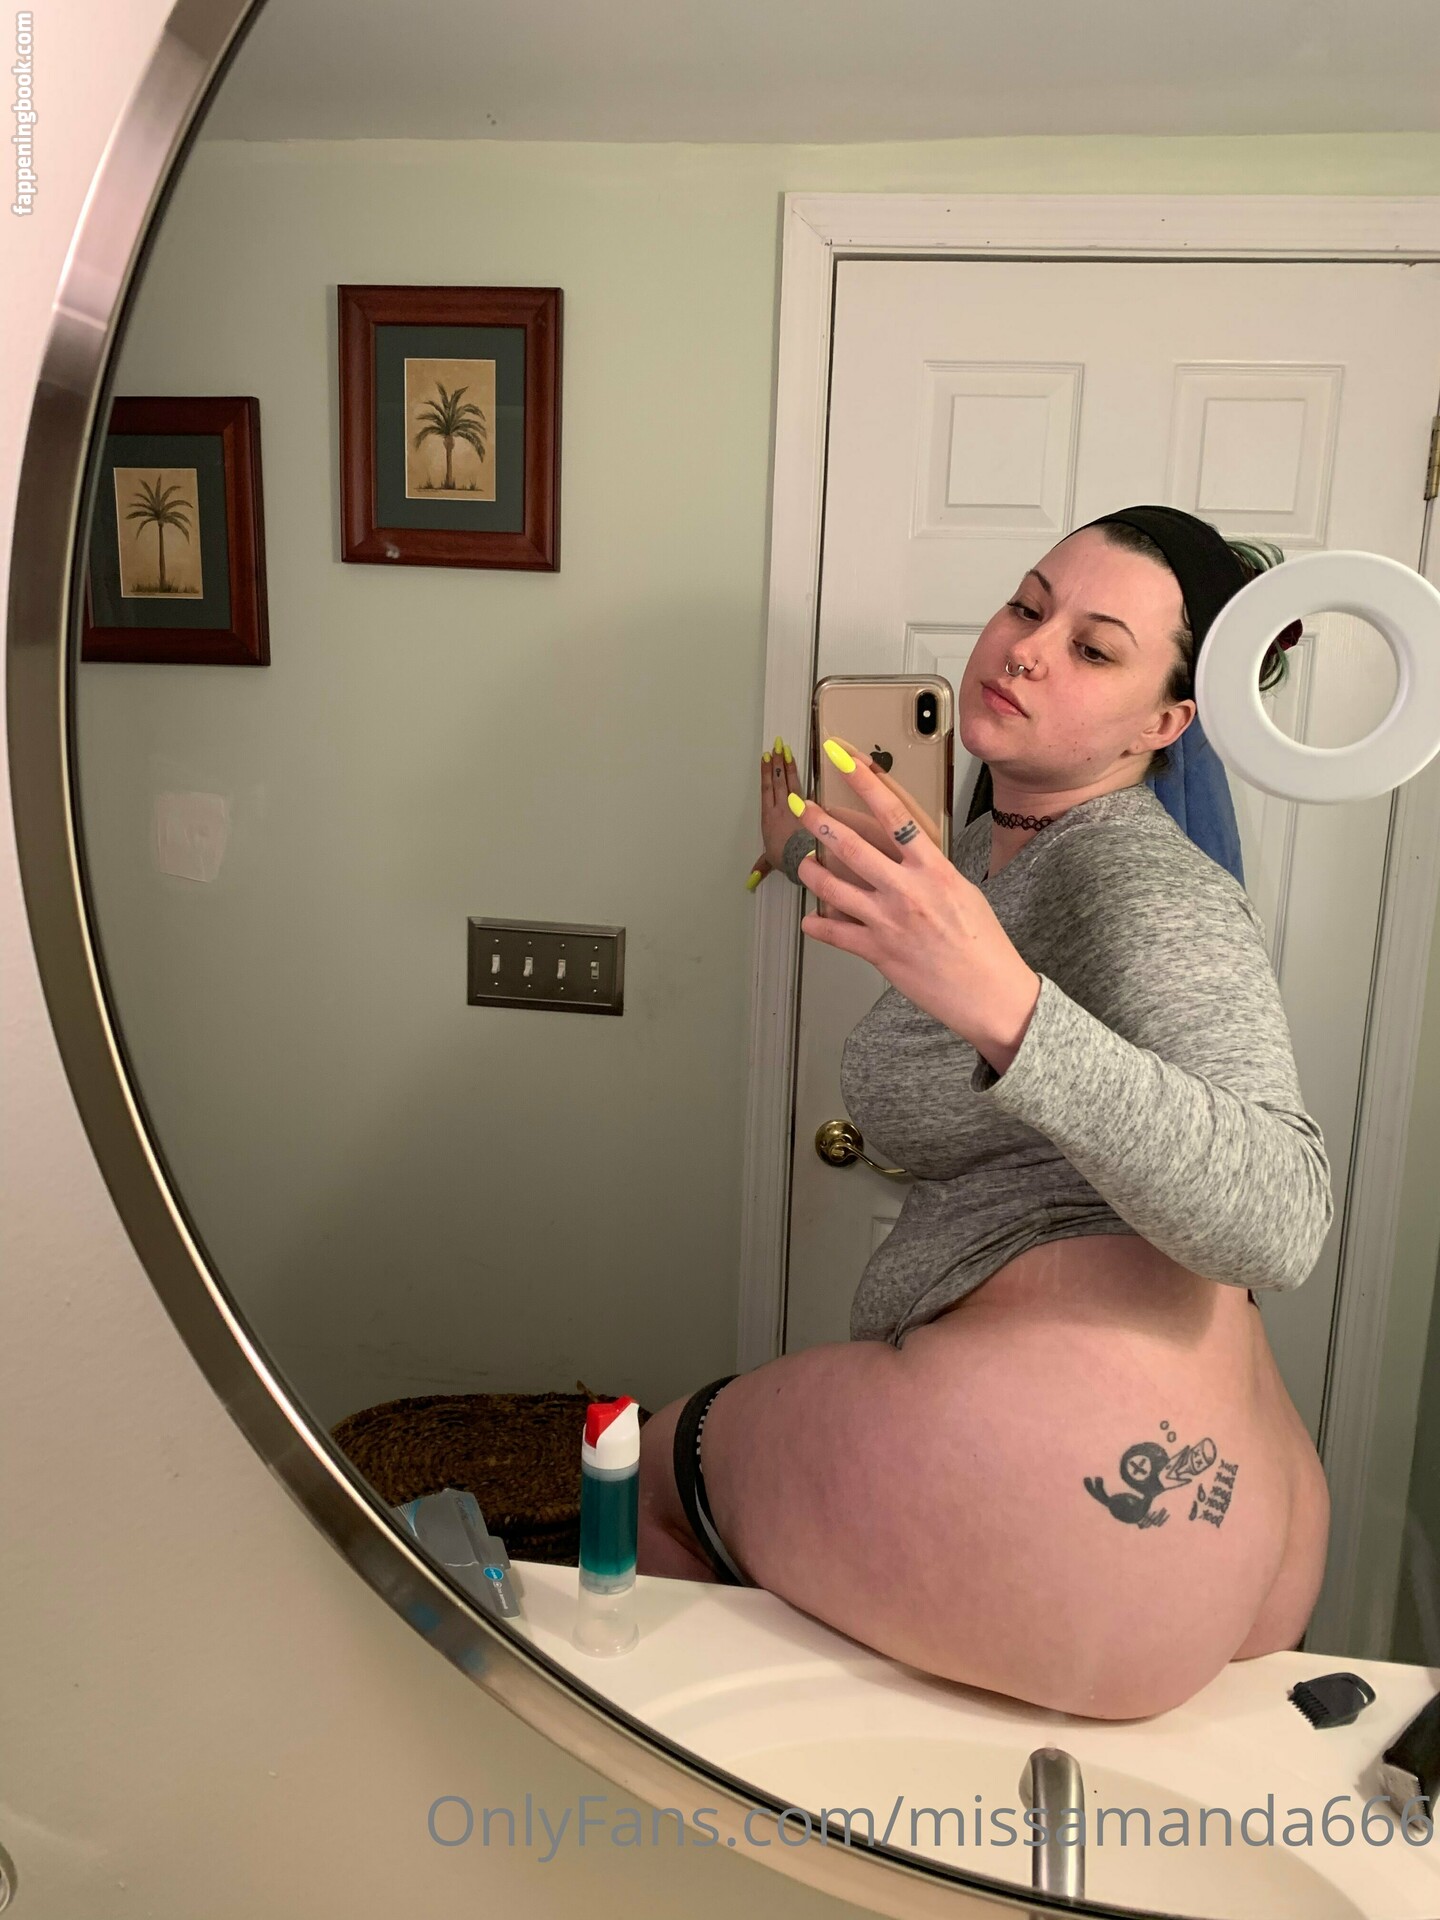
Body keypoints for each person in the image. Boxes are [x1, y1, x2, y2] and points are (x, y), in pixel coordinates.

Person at [637, 506, 1333, 1721]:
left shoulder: (1139, 880)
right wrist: (807, 854)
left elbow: (1282, 1216)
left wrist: (1010, 1009)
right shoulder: (991, 846)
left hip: (1091, 1498)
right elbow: (958, 941)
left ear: (1167, 724)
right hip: (1201, 1506)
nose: (1026, 650)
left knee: (648, 1474)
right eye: (1027, 605)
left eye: (1095, 649)